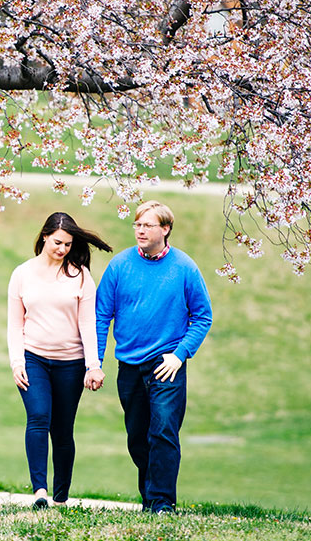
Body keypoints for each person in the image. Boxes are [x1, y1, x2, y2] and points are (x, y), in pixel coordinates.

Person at [90, 200, 212, 514]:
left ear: (165, 229)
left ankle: (162, 503)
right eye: (138, 225)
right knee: (138, 437)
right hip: (129, 366)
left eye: (148, 225)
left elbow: (202, 317)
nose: (141, 231)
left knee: (163, 432)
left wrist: (179, 355)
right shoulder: (120, 265)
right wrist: (96, 362)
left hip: (166, 366)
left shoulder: (185, 268)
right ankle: (150, 498)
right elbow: (102, 315)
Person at [7, 211, 112, 509]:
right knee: (38, 417)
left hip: (71, 363)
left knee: (63, 430)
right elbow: (15, 324)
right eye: (57, 242)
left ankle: (61, 497)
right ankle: (40, 491)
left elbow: (88, 324)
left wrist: (93, 365)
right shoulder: (22, 274)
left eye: (67, 244)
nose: (62, 249)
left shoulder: (80, 275)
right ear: (44, 236)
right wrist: (17, 362)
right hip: (34, 360)